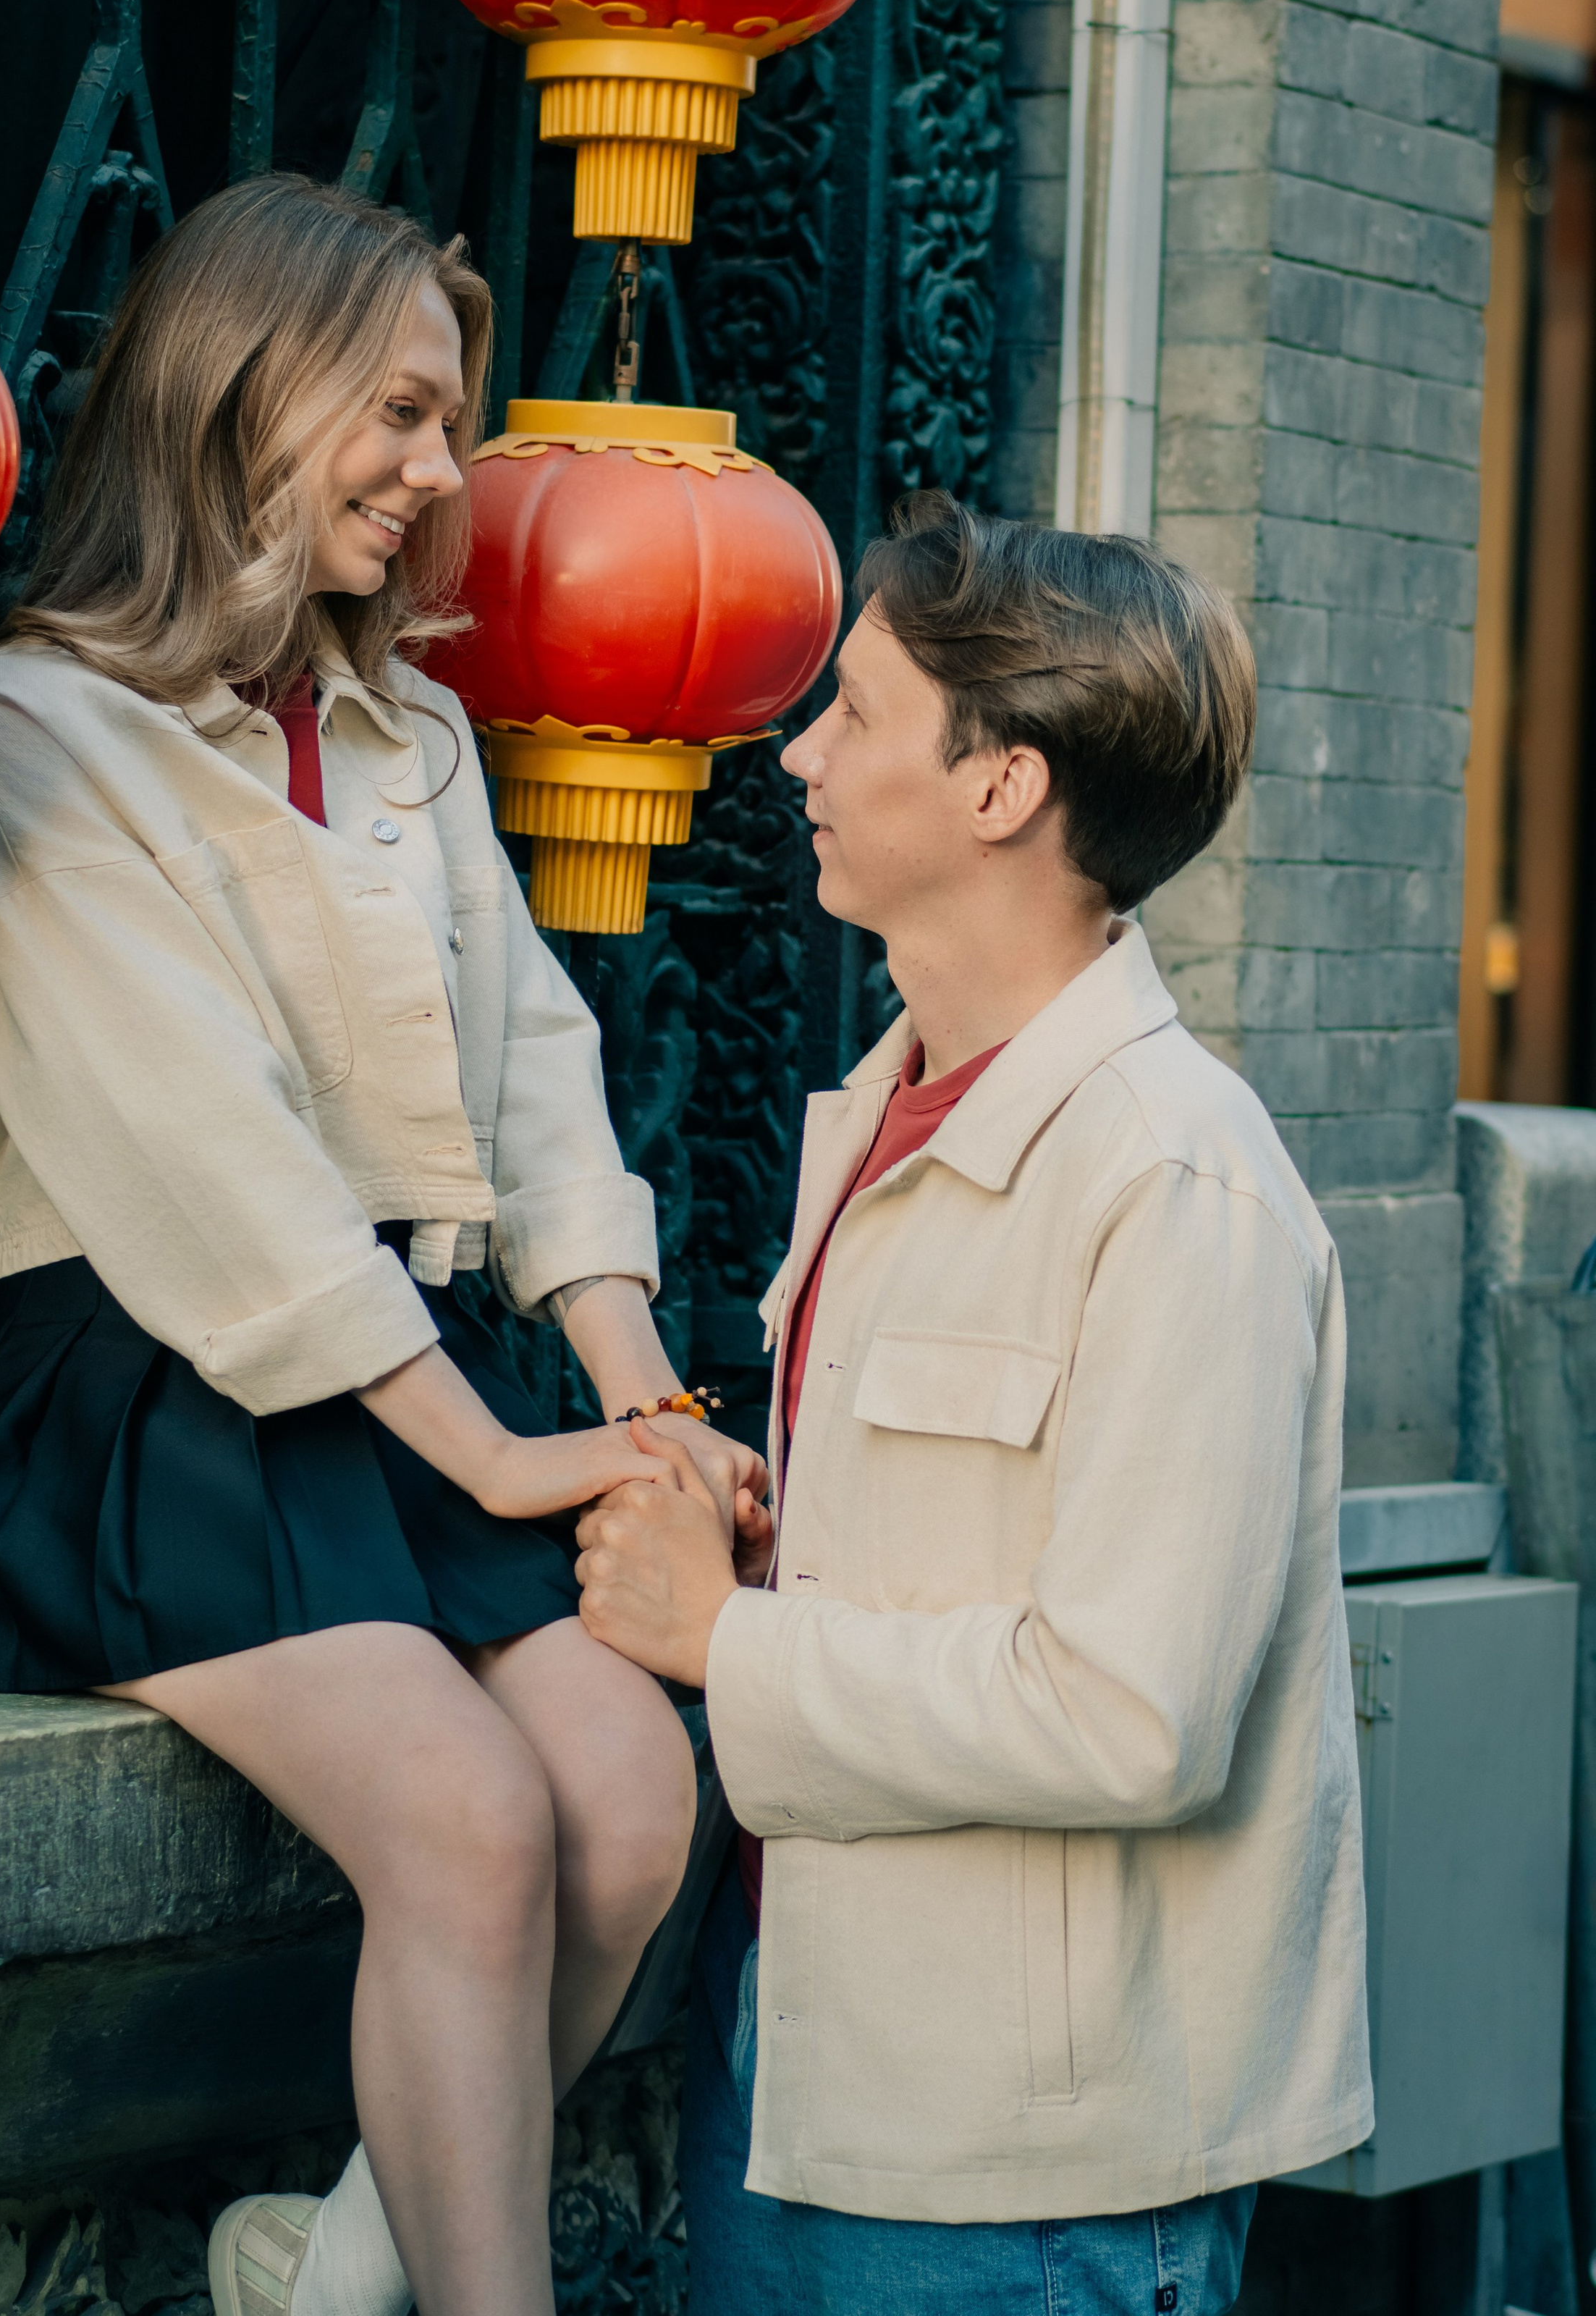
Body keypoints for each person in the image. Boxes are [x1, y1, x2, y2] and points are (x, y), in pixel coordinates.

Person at [0, 177, 764, 2316]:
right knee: (468, 1820)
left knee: (632, 1796)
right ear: (248, 390)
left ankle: (333, 2281)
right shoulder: (45, 730)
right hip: (138, 1390)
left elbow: (539, 1076)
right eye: (396, 413)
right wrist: (492, 1458)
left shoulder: (416, 734)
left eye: (451, 425)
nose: (435, 475)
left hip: (398, 1384)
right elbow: (206, 1165)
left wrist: (637, 1395)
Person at [578, 497, 1372, 2316]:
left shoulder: (1178, 1181)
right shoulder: (876, 1112)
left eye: (852, 711)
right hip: (795, 2073)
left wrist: (725, 1645)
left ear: (1001, 785)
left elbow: (1129, 1715)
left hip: (1032, 2177)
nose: (799, 755)